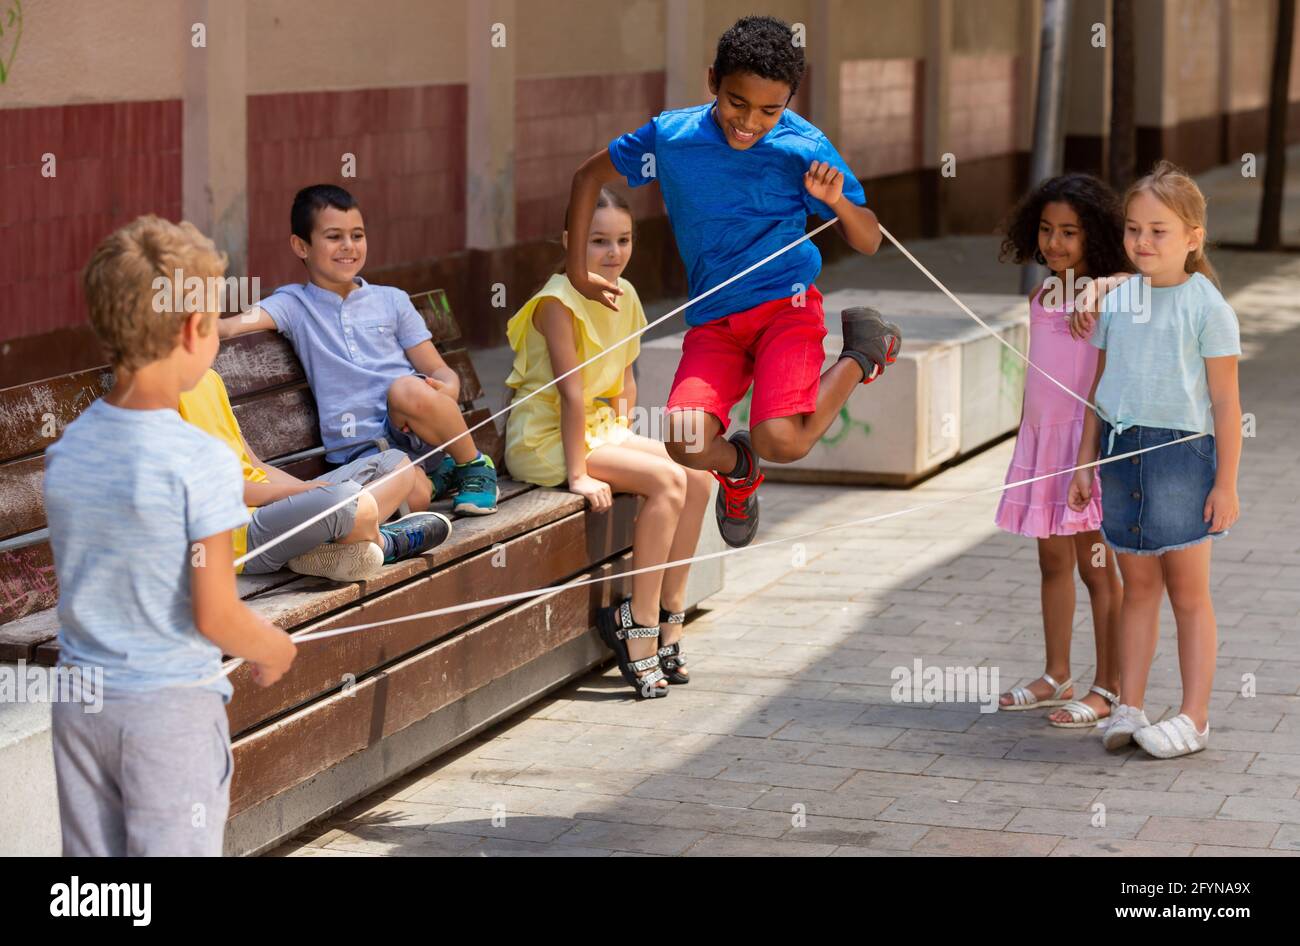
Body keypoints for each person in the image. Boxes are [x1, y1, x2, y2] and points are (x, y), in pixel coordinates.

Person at [565, 15, 901, 549]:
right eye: (736, 102)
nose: (749, 122)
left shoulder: (803, 146)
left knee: (783, 440)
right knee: (684, 440)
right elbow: (589, 176)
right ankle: (739, 468)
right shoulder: (671, 137)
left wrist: (835, 200)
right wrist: (576, 270)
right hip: (716, 322)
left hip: (785, 308)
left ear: (789, 101)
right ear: (712, 82)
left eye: (771, 110)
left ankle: (863, 353)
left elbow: (869, 239)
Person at [43, 216, 297, 855]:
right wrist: (270, 645)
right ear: (191, 330)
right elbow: (214, 612)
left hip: (81, 702)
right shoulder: (199, 461)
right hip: (168, 712)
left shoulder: (69, 450)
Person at [505, 188, 712, 698]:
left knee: (699, 474)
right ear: (571, 242)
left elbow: (624, 384)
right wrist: (580, 474)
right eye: (598, 242)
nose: (613, 253)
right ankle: (635, 624)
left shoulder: (627, 294)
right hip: (546, 435)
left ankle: (670, 611)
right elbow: (570, 394)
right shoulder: (557, 301)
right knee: (665, 482)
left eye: (623, 240)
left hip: (596, 428)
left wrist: (627, 441)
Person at [1068, 161, 1243, 758]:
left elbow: (1225, 403)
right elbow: (1097, 389)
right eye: (1133, 229)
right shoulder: (1117, 302)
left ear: (1193, 237)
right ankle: (1130, 705)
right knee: (1136, 587)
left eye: (1159, 231)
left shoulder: (1207, 307)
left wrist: (1226, 484)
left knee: (1188, 593)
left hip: (1182, 458)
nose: (1142, 242)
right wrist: (1084, 463)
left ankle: (1194, 718)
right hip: (1121, 455)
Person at [217, 183, 498, 515]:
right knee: (415, 497)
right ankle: (437, 480)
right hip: (359, 451)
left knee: (407, 389)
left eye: (358, 235)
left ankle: (475, 467)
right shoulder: (293, 304)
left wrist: (445, 391)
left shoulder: (391, 300)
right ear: (301, 246)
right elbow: (231, 326)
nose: (348, 246)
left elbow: (440, 370)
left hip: (409, 426)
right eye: (334, 237)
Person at [993, 174, 1129, 729]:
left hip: (1084, 447)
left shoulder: (1114, 294)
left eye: (1069, 233)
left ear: (1093, 235)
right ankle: (1057, 674)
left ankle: (1110, 685)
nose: (1055, 243)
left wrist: (1098, 288)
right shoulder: (1041, 292)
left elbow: (1143, 279)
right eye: (1047, 230)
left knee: (1097, 567)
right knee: (1051, 561)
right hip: (1042, 445)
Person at [178, 368, 452, 582]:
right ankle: (386, 542)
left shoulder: (210, 379)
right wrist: (302, 496)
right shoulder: (156, 400)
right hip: (237, 532)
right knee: (355, 502)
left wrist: (309, 498)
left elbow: (255, 465)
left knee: (398, 465)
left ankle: (314, 545)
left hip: (271, 506)